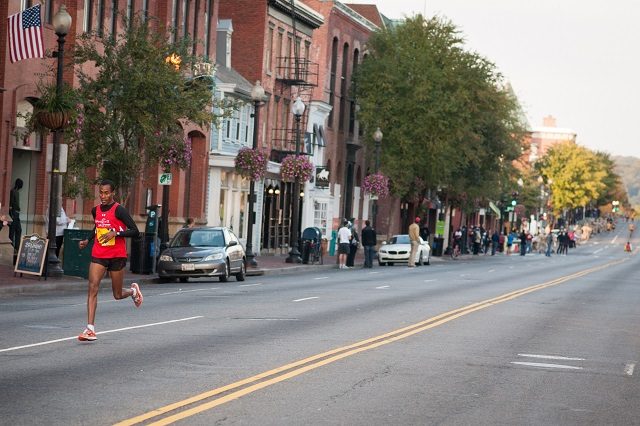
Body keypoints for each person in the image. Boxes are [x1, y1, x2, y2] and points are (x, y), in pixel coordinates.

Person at [77, 179, 142, 342]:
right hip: (99, 254)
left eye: (106, 193)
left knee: (118, 295)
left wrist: (116, 234)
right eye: (101, 192)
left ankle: (133, 291)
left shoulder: (119, 210)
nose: (103, 196)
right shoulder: (95, 210)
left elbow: (135, 231)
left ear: (113, 193)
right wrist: (88, 240)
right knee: (92, 287)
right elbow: (98, 227)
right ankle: (90, 329)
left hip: (117, 256)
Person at [9, 178, 23, 251]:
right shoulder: (13, 192)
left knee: (19, 230)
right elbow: (10, 205)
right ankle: (12, 246)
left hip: (17, 213)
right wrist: (11, 214)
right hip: (14, 213)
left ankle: (17, 247)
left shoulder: (16, 192)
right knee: (12, 230)